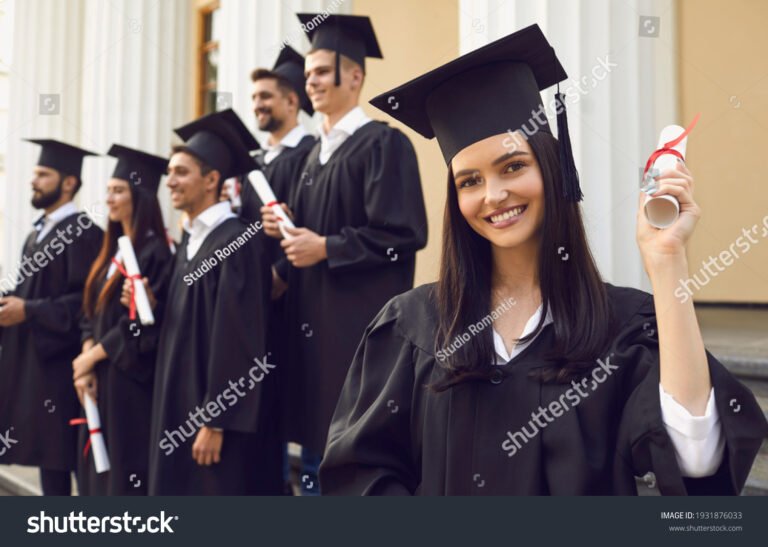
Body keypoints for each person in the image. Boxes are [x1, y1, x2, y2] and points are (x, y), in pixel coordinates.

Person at [320, 24, 768, 495]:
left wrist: (668, 261)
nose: (493, 195)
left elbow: (697, 463)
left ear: (551, 169)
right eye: (469, 181)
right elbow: (360, 476)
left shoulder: (621, 330)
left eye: (513, 166)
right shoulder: (412, 328)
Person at [261, 14, 428, 494]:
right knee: (315, 455)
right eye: (307, 73)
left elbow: (403, 234)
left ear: (354, 75)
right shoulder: (314, 156)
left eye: (319, 71)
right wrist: (285, 227)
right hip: (310, 337)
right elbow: (307, 237)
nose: (309, 80)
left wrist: (326, 247)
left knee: (352, 460)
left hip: (357, 337)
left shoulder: (383, 144)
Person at [148, 109, 281, 495]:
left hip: (212, 420)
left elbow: (238, 339)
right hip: (179, 403)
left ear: (211, 180)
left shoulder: (235, 242)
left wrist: (216, 419)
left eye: (181, 172)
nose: (169, 181)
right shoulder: (191, 242)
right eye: (169, 171)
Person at [0, 139, 102, 495]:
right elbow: (31, 292)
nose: (34, 181)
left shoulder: (83, 233)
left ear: (69, 182)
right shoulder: (36, 233)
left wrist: (27, 310)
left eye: (43, 174)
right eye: (34, 174)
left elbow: (86, 304)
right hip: (35, 369)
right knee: (50, 466)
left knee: (66, 462)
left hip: (63, 370)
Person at [73, 145, 173, 495]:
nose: (110, 199)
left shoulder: (156, 253)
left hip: (129, 383)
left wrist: (91, 357)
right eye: (108, 190)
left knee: (123, 472)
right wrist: (86, 366)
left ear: (140, 197)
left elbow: (144, 326)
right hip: (98, 377)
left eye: (119, 191)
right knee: (94, 470)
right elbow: (91, 313)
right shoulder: (112, 251)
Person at [239, 45, 317, 495]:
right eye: (254, 99)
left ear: (292, 101)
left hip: (294, 307)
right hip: (256, 316)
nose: (258, 106)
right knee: (261, 415)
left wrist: (282, 276)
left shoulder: (309, 154)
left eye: (266, 97)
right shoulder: (255, 165)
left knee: (306, 416)